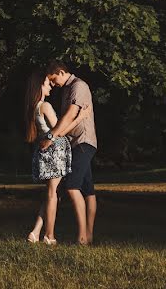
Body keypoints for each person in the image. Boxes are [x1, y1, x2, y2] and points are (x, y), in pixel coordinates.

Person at [25, 70, 91, 245]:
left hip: (47, 152)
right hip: (55, 151)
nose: (51, 87)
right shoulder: (45, 106)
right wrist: (80, 118)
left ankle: (36, 231)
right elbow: (60, 130)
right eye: (47, 83)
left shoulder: (34, 108)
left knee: (51, 194)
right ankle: (49, 235)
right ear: (39, 86)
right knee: (53, 194)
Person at [38, 60, 98, 245]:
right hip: (75, 144)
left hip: (83, 142)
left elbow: (71, 114)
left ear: (62, 72)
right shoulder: (66, 89)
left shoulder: (78, 86)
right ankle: (88, 236)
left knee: (72, 187)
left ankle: (82, 238)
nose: (53, 84)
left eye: (54, 79)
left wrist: (52, 135)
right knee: (88, 190)